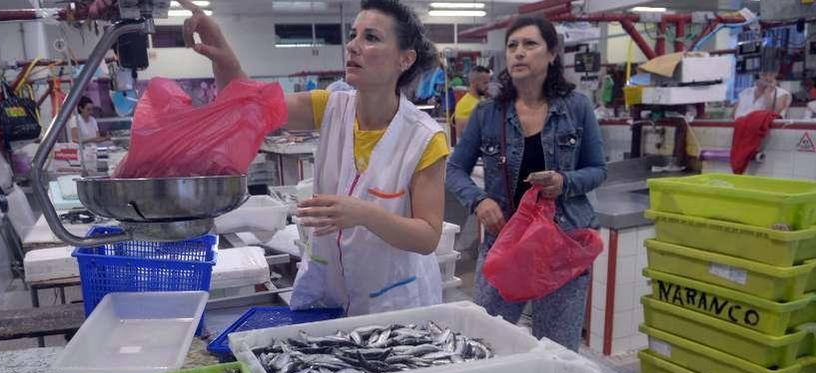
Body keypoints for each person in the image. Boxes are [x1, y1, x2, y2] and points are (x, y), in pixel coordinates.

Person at [179, 0, 449, 316]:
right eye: (353, 35)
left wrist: (365, 213)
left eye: (371, 38)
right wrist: (220, 49)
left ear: (405, 59)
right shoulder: (330, 107)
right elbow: (248, 107)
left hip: (394, 304)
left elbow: (428, 236)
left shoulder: (424, 137)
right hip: (330, 295)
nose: (352, 46)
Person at [446, 16, 607, 351]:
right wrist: (479, 201)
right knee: (485, 345)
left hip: (561, 244)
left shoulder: (576, 108)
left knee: (556, 351)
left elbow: (598, 169)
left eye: (529, 44)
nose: (519, 53)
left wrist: (565, 182)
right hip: (505, 243)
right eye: (512, 46)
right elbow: (455, 169)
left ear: (551, 54)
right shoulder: (487, 112)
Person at [454, 65, 492, 137]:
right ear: (474, 83)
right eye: (485, 83)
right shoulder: (464, 105)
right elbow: (462, 134)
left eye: (488, 82)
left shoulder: (484, 100)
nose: (488, 86)